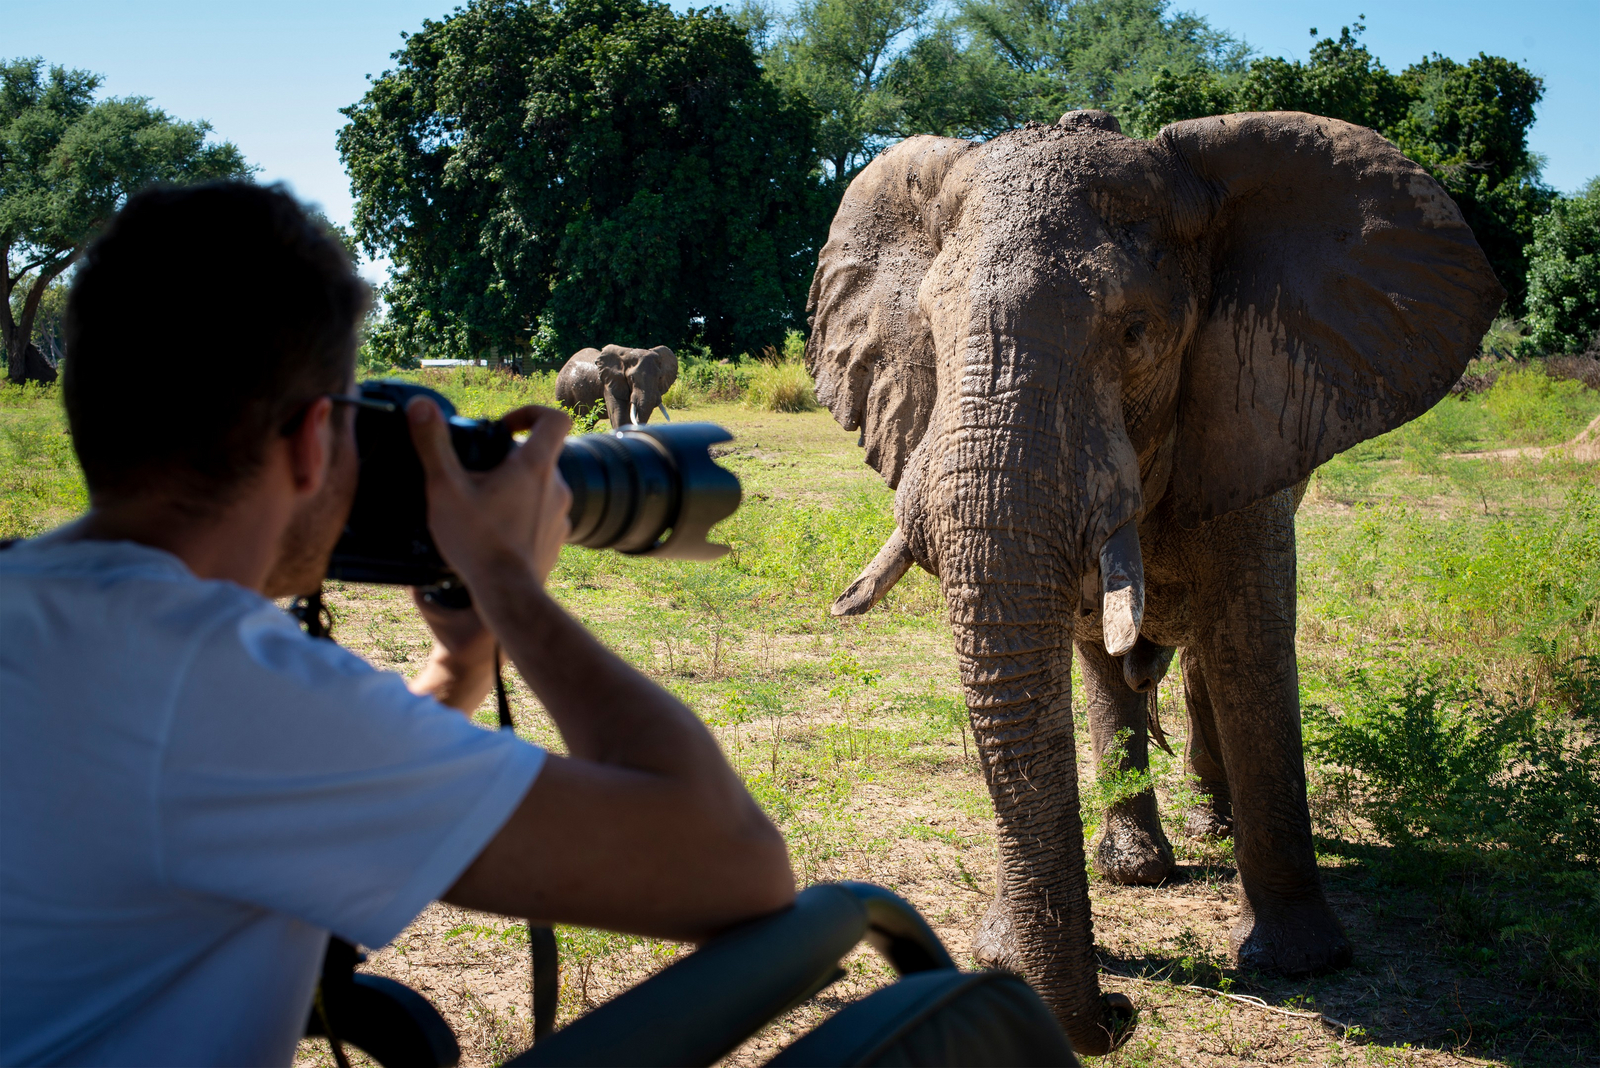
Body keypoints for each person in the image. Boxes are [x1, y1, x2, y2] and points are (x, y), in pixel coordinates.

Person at [0, 183, 794, 1067]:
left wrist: (462, 659)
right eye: (354, 422)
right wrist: (507, 582)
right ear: (310, 442)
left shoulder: (45, 610)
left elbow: (292, 786)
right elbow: (732, 865)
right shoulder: (211, 689)